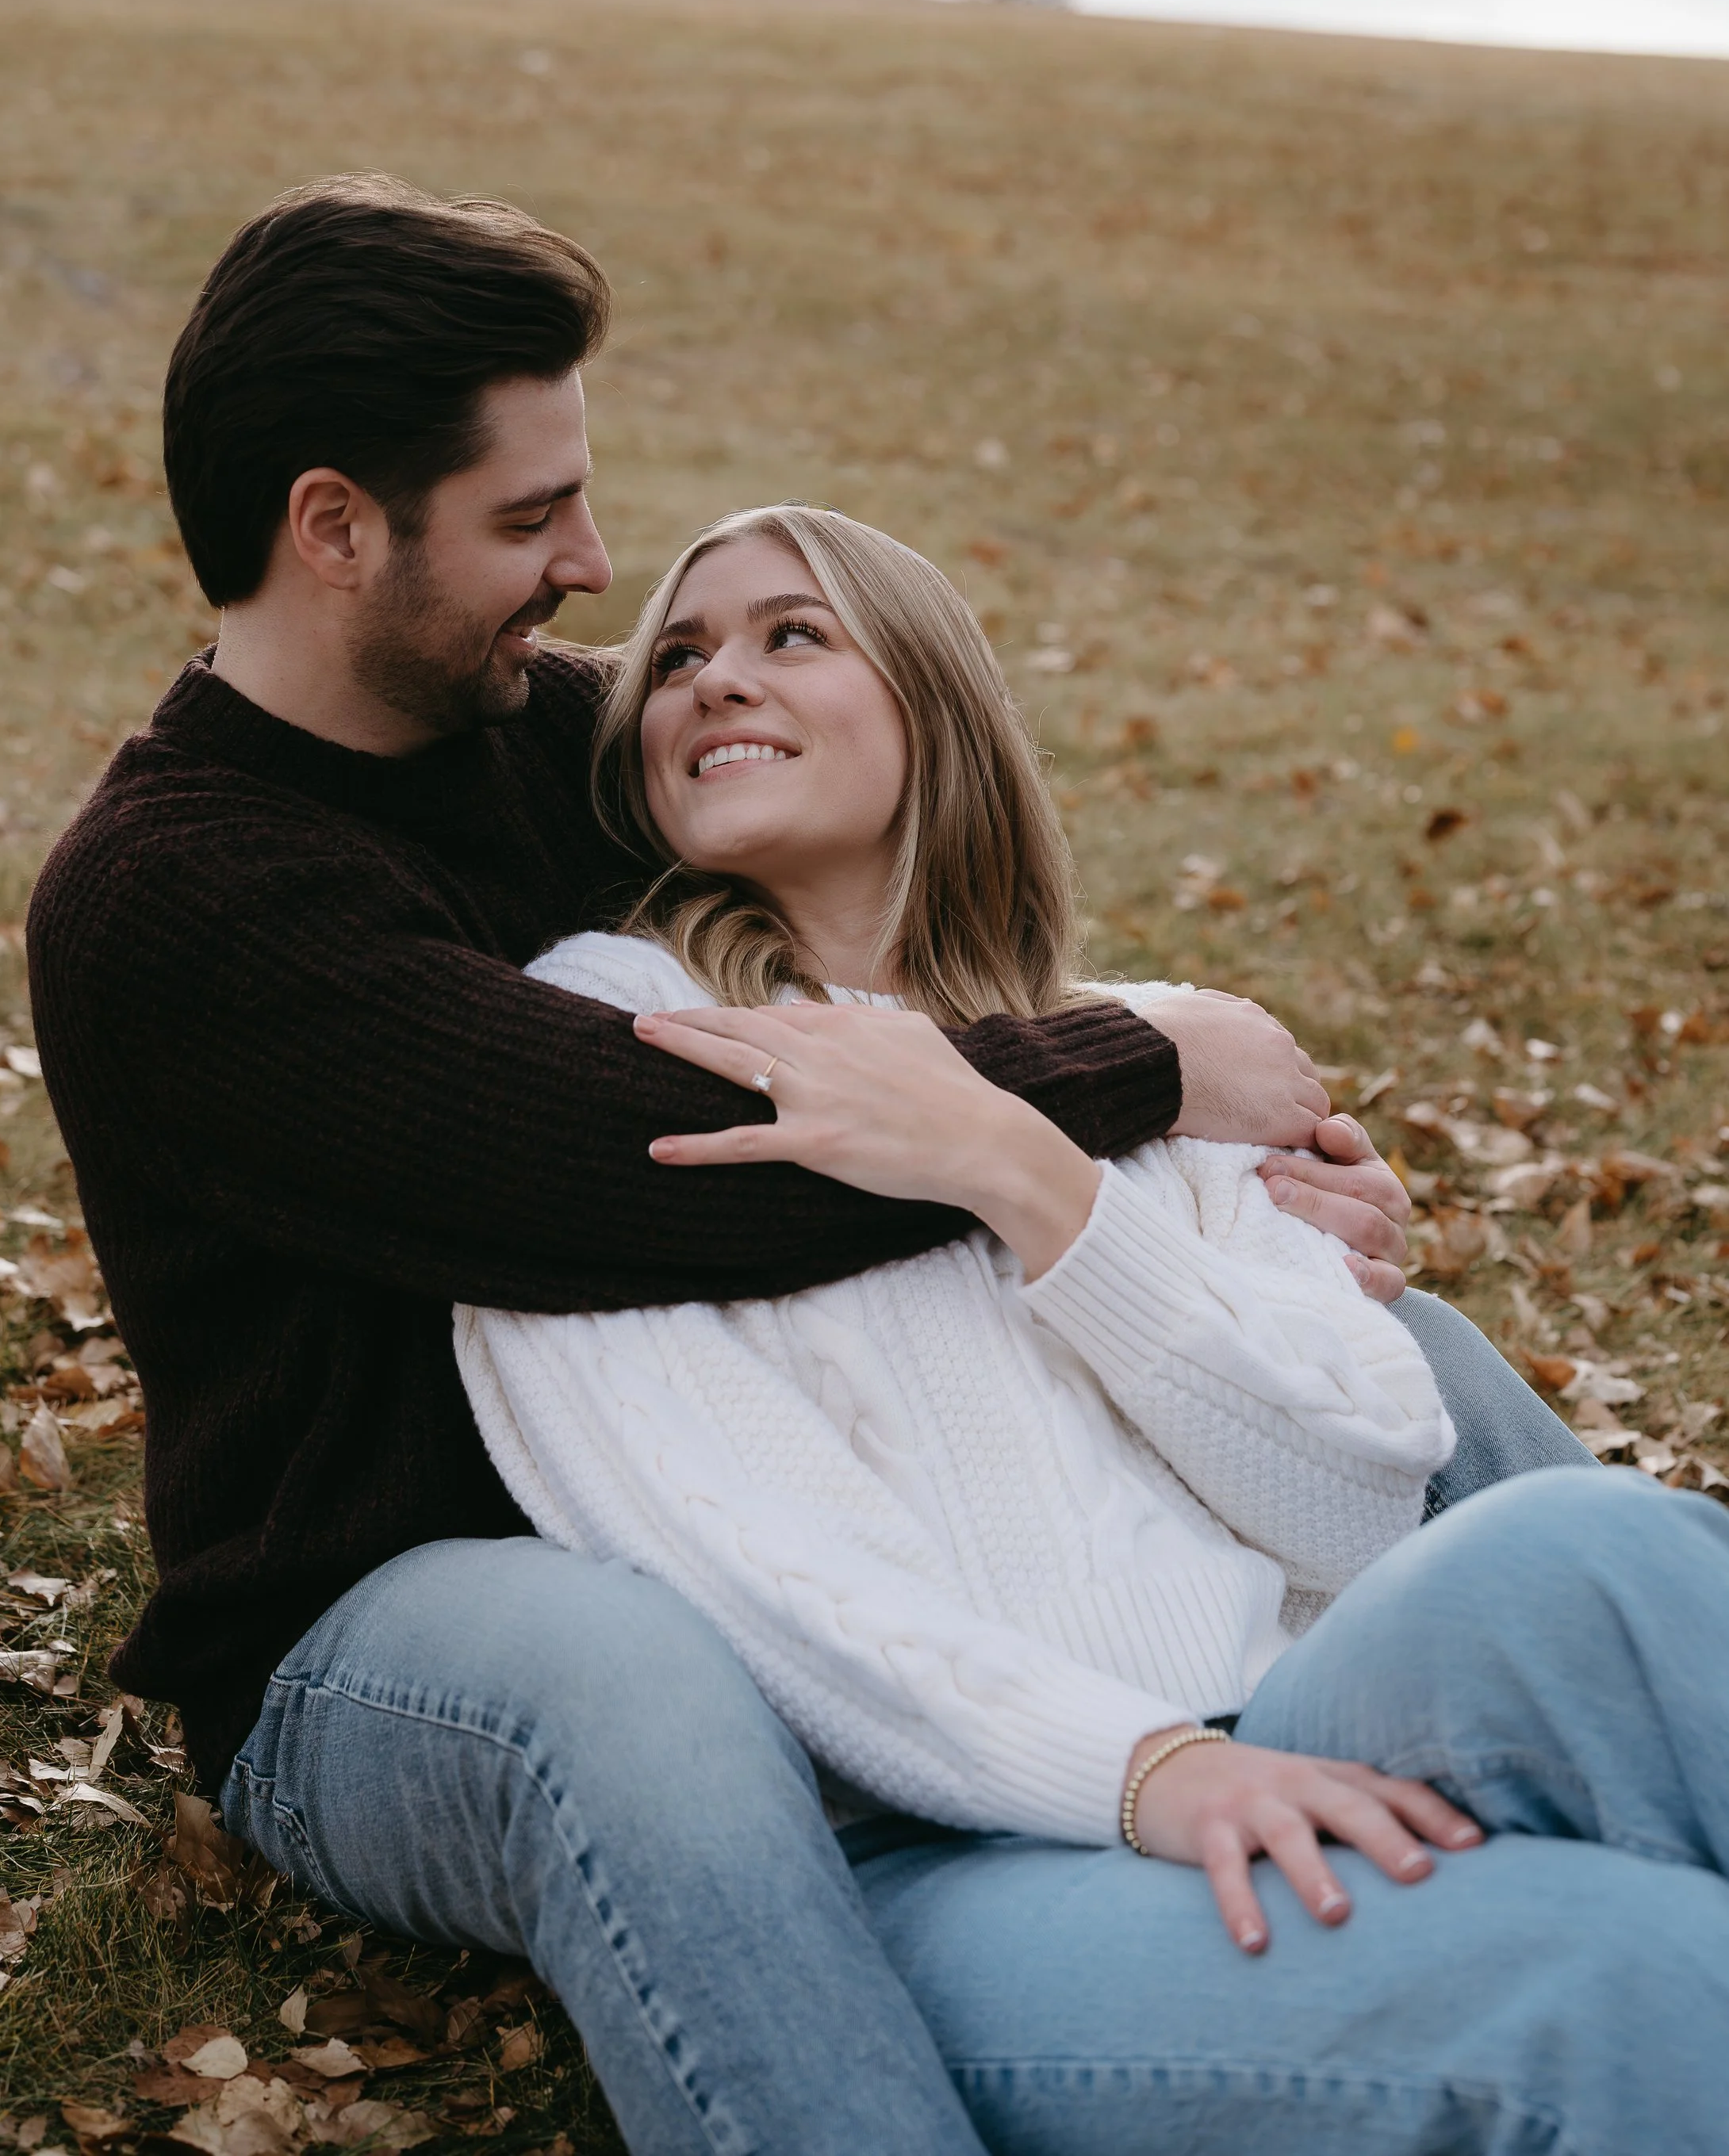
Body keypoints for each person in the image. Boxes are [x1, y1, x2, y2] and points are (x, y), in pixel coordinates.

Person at [29, 178, 1587, 2156]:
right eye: (528, 521)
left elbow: (865, 945)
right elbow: (665, 1158)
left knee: (1420, 1361)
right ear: (334, 528)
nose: (593, 568)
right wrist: (1141, 1061)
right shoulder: (177, 898)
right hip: (397, 1613)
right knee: (628, 1681)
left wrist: (1228, 1168)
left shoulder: (551, 736)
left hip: (749, 1476)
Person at [457, 500, 1721, 2156]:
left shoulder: (1130, 1063)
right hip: (957, 1855)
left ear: (932, 706)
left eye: (790, 635)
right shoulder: (613, 1039)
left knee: (1579, 1551)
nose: (709, 681)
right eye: (678, 658)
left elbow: (1346, 1502)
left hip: (1289, 1714)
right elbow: (746, 1570)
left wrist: (1033, 1181)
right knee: (1630, 1983)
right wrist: (1138, 1771)